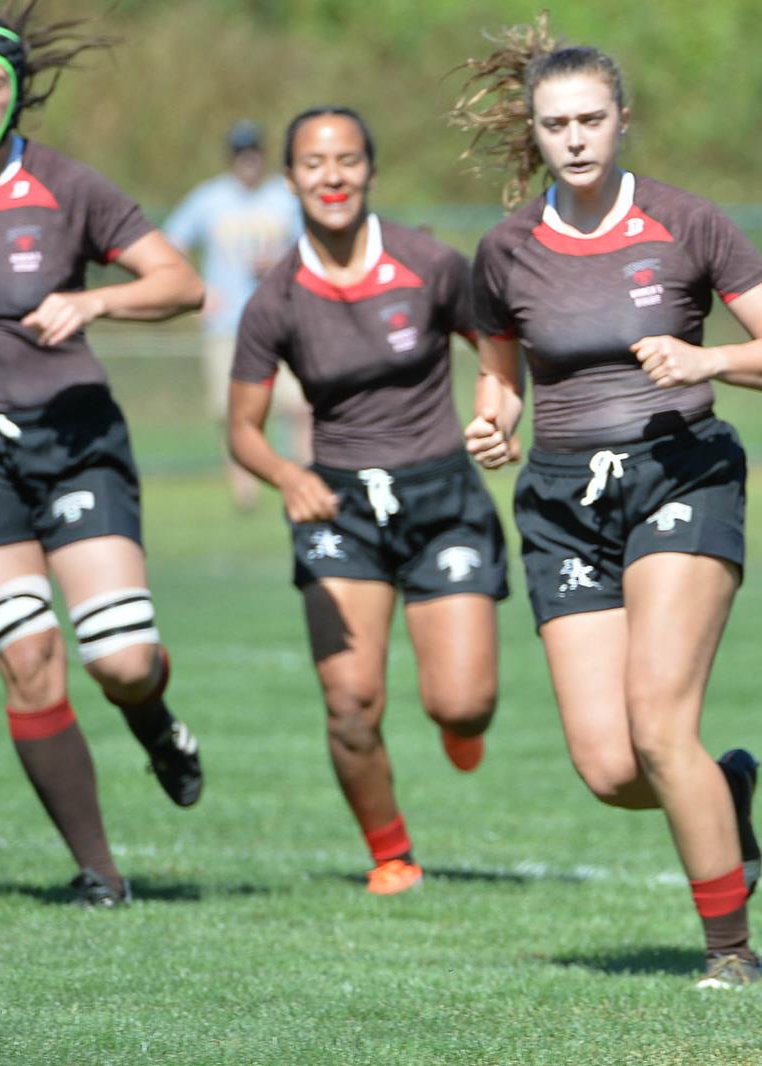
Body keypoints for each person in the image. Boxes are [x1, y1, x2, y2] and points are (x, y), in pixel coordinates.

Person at [452, 17, 762, 988]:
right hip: (563, 500)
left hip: (679, 473)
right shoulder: (505, 250)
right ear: (531, 133)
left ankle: (728, 952)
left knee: (660, 726)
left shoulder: (687, 223)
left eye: (590, 118)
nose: (572, 137)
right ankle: (724, 787)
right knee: (614, 768)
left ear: (622, 120)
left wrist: (711, 358)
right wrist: (491, 424)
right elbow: (499, 381)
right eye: (554, 123)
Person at [228, 107, 508, 896]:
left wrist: (496, 409)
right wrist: (289, 476)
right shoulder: (275, 299)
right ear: (290, 180)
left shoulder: (429, 265)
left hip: (440, 498)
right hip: (338, 509)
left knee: (463, 702)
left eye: (347, 160)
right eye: (314, 164)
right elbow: (242, 430)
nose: (332, 177)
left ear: (370, 171)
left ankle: (461, 727)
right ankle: (391, 853)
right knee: (351, 702)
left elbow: (496, 353)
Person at [0, 9, 206, 906]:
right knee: (27, 658)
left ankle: (153, 723)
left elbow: (182, 282)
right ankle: (99, 874)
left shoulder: (66, 187)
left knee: (120, 661)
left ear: (17, 93)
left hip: (74, 445)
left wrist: (94, 305)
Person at [163, 118, 309, 512]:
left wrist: (280, 263)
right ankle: (245, 496)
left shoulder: (284, 197)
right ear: (231, 158)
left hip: (284, 319)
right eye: (240, 154)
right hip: (227, 326)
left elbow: (314, 245)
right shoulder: (209, 199)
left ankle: (305, 478)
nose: (248, 161)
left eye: (253, 153)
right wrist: (198, 291)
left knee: (299, 405)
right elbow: (170, 242)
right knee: (234, 413)